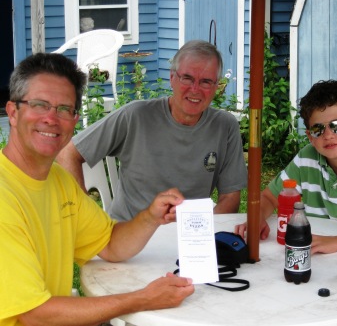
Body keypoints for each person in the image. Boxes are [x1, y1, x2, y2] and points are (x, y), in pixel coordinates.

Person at [0, 53, 194, 326]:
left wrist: (150, 217)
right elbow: (35, 314)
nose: (52, 119)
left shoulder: (58, 180)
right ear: (13, 113)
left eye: (64, 109)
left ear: (75, 119)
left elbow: (111, 244)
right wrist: (142, 298)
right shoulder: (4, 196)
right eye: (40, 105)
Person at [56, 40, 247, 221]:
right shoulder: (136, 115)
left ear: (216, 86)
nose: (195, 89)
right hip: (127, 236)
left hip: (188, 236)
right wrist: (84, 216)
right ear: (172, 78)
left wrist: (200, 232)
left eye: (206, 81)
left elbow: (230, 198)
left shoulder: (225, 126)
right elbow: (68, 154)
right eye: (187, 78)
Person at [235, 80, 337, 254]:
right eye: (318, 129)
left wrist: (333, 243)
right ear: (310, 136)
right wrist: (256, 219)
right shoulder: (306, 159)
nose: (328, 135)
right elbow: (269, 197)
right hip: (312, 255)